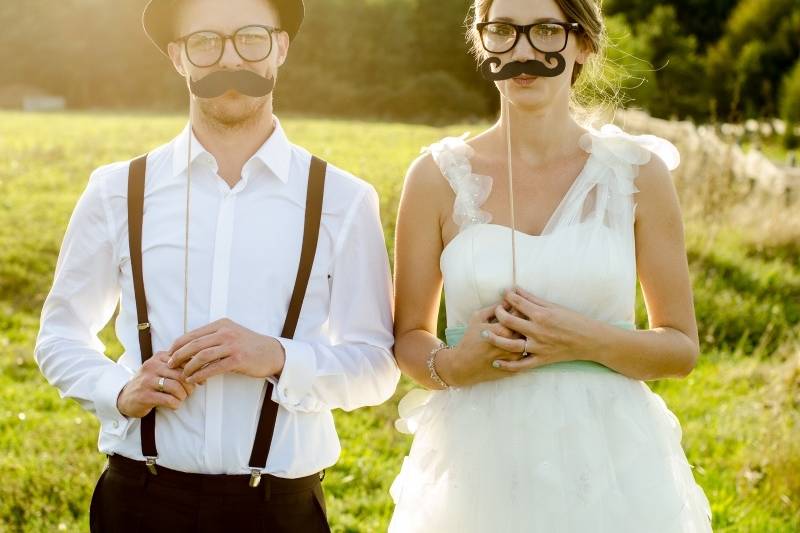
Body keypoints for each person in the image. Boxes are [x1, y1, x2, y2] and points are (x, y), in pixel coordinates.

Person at [33, 0, 400, 531]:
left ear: (281, 47)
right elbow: (59, 335)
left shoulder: (343, 199)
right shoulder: (118, 191)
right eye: (205, 41)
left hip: (281, 509)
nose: (229, 58)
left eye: (250, 37)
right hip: (139, 498)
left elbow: (375, 367)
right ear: (179, 57)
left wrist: (276, 356)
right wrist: (116, 391)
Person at [388, 0, 713, 531]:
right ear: (482, 43)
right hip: (478, 463)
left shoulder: (638, 174)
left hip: (612, 462)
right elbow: (407, 336)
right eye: (503, 32)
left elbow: (680, 348)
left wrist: (581, 340)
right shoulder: (435, 177)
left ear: (582, 42)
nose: (523, 51)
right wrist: (454, 365)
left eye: (544, 31)